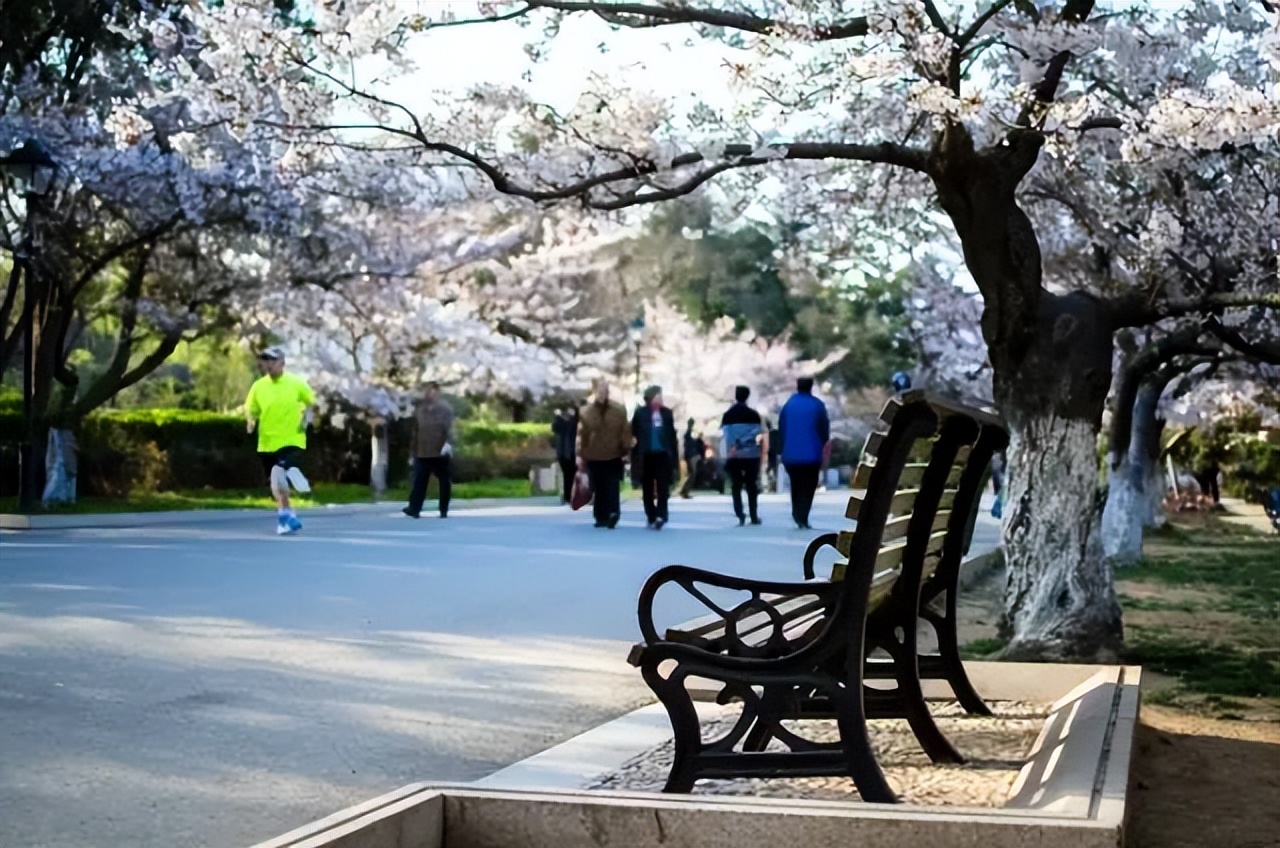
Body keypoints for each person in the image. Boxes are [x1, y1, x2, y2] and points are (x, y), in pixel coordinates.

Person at [244, 346, 315, 536]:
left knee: (278, 472)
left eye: (272, 361)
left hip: (292, 438)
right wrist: (250, 422)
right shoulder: (258, 387)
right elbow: (252, 410)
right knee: (276, 482)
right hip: (267, 441)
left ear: (282, 363)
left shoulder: (296, 384)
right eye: (265, 361)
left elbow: (311, 403)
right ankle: (286, 516)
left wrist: (307, 418)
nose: (268, 365)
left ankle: (287, 508)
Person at [576, 379, 632, 528]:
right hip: (594, 455)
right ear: (595, 392)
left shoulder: (619, 410)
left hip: (614, 454)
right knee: (599, 487)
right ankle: (600, 516)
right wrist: (581, 453)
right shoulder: (586, 412)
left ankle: (613, 513)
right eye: (601, 390)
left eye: (606, 390)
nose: (603, 393)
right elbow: (582, 434)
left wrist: (626, 450)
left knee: (612, 485)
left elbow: (625, 431)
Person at [778, 376, 830, 530]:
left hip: (791, 454)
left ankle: (796, 512)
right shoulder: (817, 405)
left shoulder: (788, 405)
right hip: (812, 454)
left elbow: (781, 429)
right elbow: (824, 430)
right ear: (811, 387)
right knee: (809, 485)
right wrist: (821, 443)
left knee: (796, 484)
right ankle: (803, 514)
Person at [403, 381, 455, 519]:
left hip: (440, 451)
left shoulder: (445, 410)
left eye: (435, 391)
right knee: (419, 480)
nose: (432, 393)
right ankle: (414, 508)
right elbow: (415, 432)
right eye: (429, 391)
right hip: (423, 451)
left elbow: (450, 429)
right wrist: (412, 453)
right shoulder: (420, 411)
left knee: (444, 481)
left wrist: (448, 443)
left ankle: (443, 509)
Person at [630, 385, 678, 530]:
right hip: (646, 454)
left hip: (663, 454)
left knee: (663, 486)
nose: (661, 398)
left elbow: (672, 436)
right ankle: (651, 514)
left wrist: (674, 457)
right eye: (658, 395)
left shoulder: (667, 414)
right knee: (648, 487)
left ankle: (662, 514)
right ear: (651, 397)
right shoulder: (640, 413)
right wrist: (633, 455)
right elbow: (633, 434)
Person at [721, 385, 763, 526]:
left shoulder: (728, 415)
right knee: (751, 485)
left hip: (734, 455)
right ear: (747, 396)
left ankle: (740, 514)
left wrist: (735, 445)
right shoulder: (753, 415)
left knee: (736, 485)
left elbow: (727, 436)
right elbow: (757, 433)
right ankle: (754, 515)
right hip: (751, 455)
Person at [551, 406, 578, 505]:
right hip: (566, 452)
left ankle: (570, 496)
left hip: (570, 452)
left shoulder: (573, 422)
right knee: (569, 475)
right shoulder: (563, 422)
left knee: (570, 475)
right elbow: (556, 428)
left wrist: (558, 416)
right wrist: (558, 417)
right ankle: (569, 496)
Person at [679, 418, 702, 499]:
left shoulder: (689, 435)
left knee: (691, 474)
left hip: (690, 455)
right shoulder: (689, 434)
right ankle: (684, 491)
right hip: (691, 455)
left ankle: (684, 491)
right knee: (692, 474)